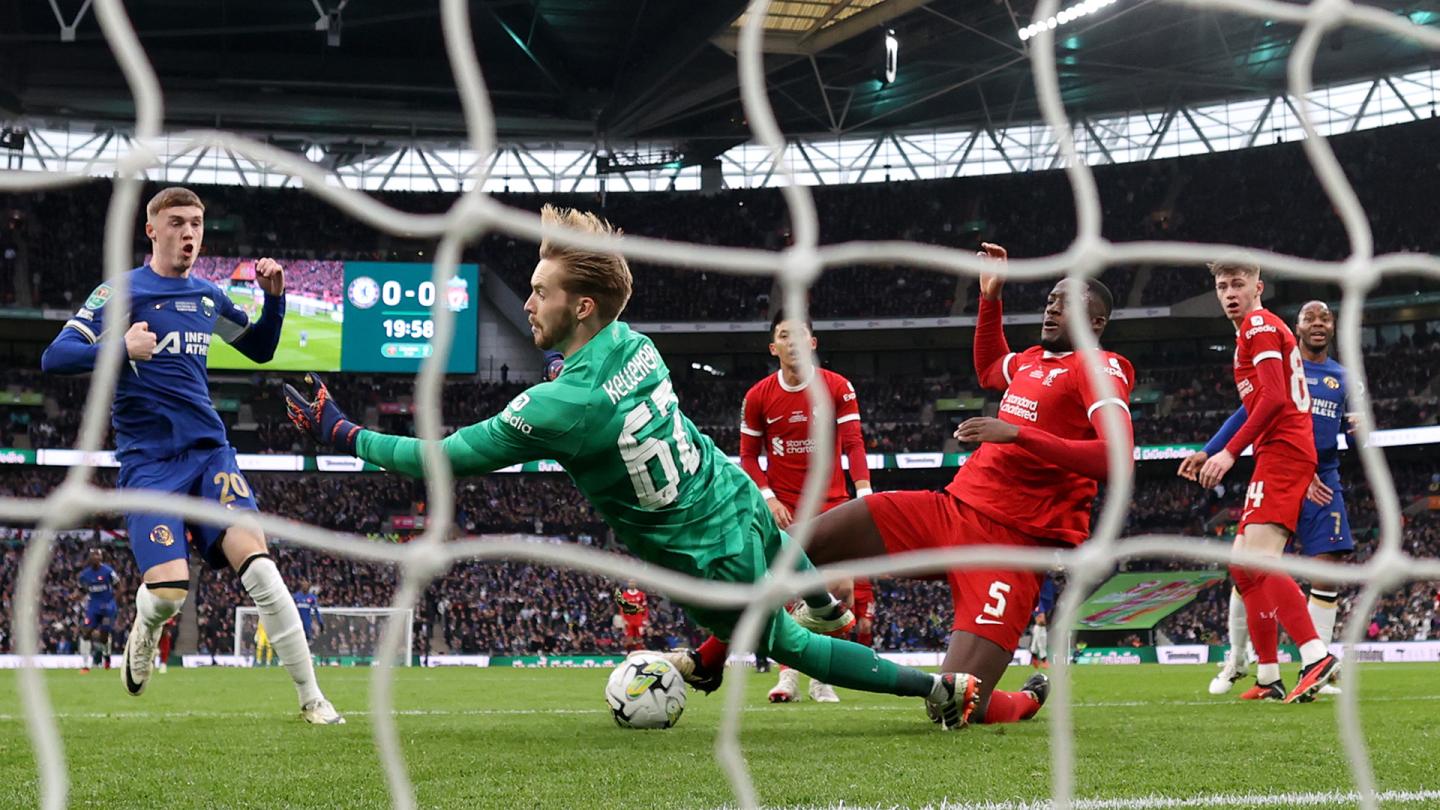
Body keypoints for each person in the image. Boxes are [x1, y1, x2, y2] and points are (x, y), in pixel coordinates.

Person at [285, 204, 979, 728]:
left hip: (703, 558)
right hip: (734, 494)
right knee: (790, 583)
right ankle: (824, 599)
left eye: (539, 291)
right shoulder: (635, 343)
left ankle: (934, 690)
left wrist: (341, 429)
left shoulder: (555, 407)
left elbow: (437, 458)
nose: (526, 302)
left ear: (580, 306)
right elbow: (594, 365)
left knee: (790, 647)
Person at [796, 242, 1133, 725]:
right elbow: (989, 367)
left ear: (1096, 322)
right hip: (950, 511)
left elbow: (1117, 458)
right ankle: (705, 655)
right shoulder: (1034, 360)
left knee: (951, 704)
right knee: (799, 544)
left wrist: (1016, 433)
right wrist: (989, 299)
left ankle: (1024, 701)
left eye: (1069, 300)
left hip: (1011, 548)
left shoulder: (1101, 368)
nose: (1053, 306)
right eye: (1051, 298)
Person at [41, 186, 343, 724]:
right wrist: (118, 348)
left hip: (210, 455)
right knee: (170, 591)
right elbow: (55, 356)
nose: (189, 233)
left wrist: (274, 300)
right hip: (149, 465)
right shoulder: (121, 291)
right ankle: (147, 623)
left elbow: (259, 349)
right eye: (177, 222)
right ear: (151, 230)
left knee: (262, 567)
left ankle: (311, 699)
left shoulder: (208, 297)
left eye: (197, 224)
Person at [1177, 262, 1339, 703]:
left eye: (1238, 284)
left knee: (1262, 561)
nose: (1230, 293)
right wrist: (1211, 448)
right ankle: (1268, 676)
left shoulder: (1258, 325)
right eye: (1222, 286)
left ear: (1258, 287)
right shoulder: (1251, 332)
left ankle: (1315, 656)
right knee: (1242, 564)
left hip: (1285, 450)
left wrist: (1230, 454)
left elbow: (1271, 398)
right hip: (1277, 449)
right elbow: (1249, 406)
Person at [740, 310, 874, 704]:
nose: (793, 341)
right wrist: (768, 498)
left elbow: (853, 442)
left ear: (813, 343)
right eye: (784, 335)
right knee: (786, 592)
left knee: (841, 592)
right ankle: (788, 677)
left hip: (832, 506)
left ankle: (821, 677)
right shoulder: (758, 396)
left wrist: (864, 494)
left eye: (800, 335)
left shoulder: (837, 387)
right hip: (786, 510)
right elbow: (748, 457)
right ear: (773, 347)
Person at [76, 548, 119, 673]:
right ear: (90, 558)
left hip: (107, 608)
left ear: (101, 558)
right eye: (94, 555)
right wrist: (77, 595)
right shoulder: (84, 575)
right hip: (93, 607)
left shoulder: (108, 572)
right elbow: (83, 589)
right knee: (86, 632)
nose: (96, 557)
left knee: (103, 637)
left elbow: (120, 587)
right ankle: (85, 665)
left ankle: (107, 657)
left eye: (98, 555)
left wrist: (112, 602)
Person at [1028, 577, 1057, 670]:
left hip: (1046, 594)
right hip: (1039, 593)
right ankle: (1043, 659)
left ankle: (1034, 654)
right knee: (1041, 622)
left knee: (1041, 625)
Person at [615, 580, 649, 653]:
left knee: (639, 638)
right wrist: (623, 619)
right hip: (628, 620)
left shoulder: (641, 595)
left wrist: (645, 619)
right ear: (628, 584)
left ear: (636, 584)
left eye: (633, 582)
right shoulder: (624, 595)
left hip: (638, 619)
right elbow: (622, 608)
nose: (632, 584)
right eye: (630, 582)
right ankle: (628, 654)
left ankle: (640, 654)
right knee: (629, 639)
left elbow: (645, 608)